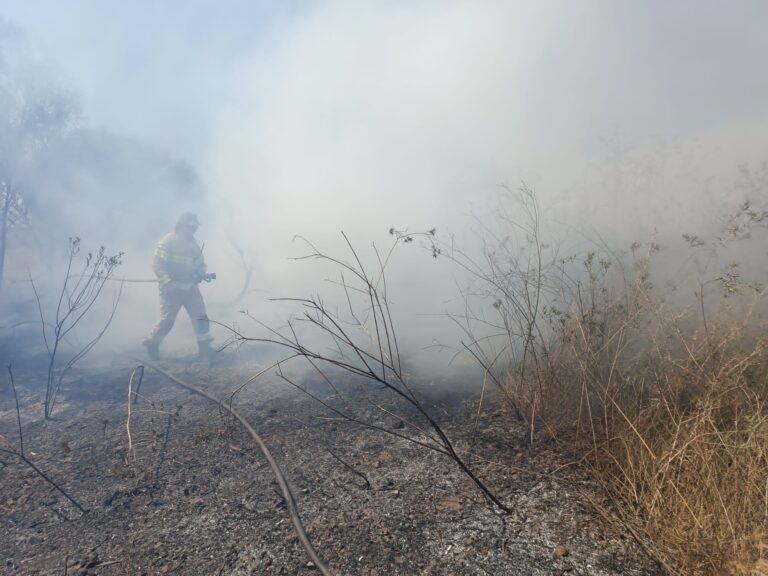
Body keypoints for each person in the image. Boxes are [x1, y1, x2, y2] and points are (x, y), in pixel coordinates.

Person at [143, 212, 214, 361]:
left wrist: (201, 271)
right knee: (167, 321)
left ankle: (205, 349)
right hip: (172, 287)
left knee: (200, 317)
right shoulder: (168, 241)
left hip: (190, 288)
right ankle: (152, 345)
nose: (193, 230)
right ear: (181, 226)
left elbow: (201, 263)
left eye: (195, 228)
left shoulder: (193, 244)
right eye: (190, 227)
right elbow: (158, 264)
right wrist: (167, 283)